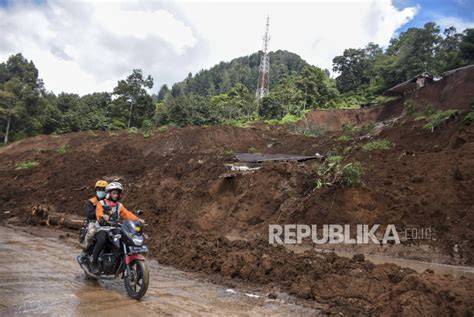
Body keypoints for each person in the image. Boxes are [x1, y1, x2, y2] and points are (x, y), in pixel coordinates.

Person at [90, 181, 144, 274]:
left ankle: (119, 262)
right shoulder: (101, 203)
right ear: (109, 194)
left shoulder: (119, 205)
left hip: (114, 228)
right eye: (113, 193)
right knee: (102, 240)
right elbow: (99, 214)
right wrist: (103, 217)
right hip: (102, 228)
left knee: (124, 239)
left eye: (117, 193)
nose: (115, 195)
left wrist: (138, 219)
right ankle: (93, 262)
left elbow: (127, 214)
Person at [79, 180, 108, 251]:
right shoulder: (91, 202)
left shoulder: (109, 201)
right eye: (99, 189)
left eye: (103, 189)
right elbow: (89, 215)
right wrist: (100, 211)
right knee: (92, 232)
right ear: (96, 190)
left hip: (107, 222)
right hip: (93, 221)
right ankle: (85, 247)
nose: (101, 191)